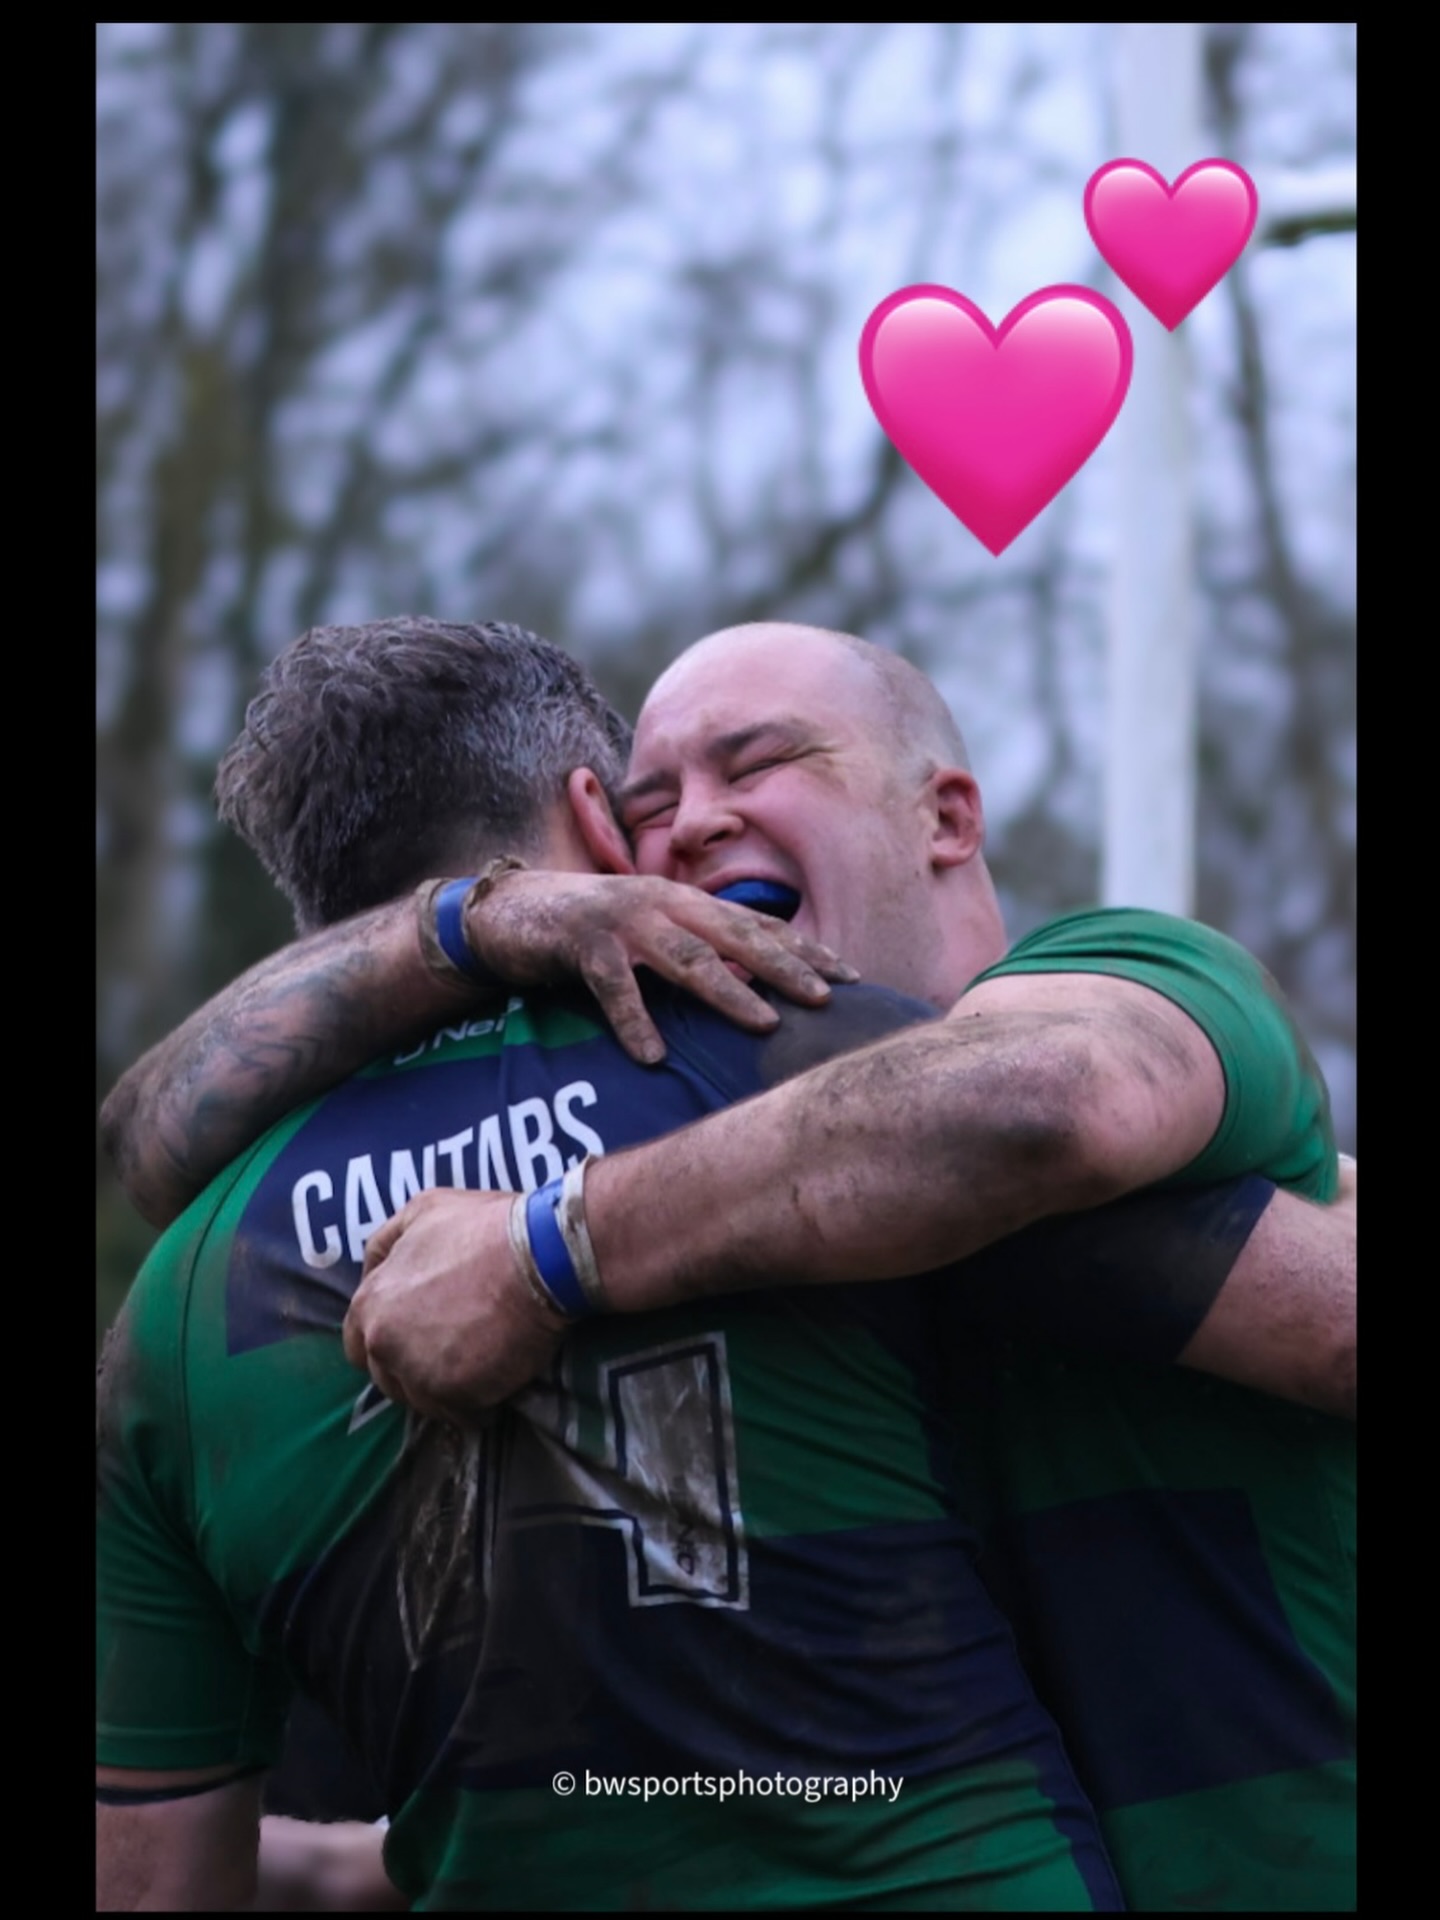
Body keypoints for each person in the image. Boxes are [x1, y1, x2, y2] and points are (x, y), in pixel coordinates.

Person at [98, 619, 1355, 1910]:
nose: (694, 826)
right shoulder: (754, 1110)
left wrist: (545, 1247)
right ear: (596, 835)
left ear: (948, 814)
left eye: (760, 763)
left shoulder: (1132, 977)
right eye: (654, 803)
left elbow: (1047, 1118)